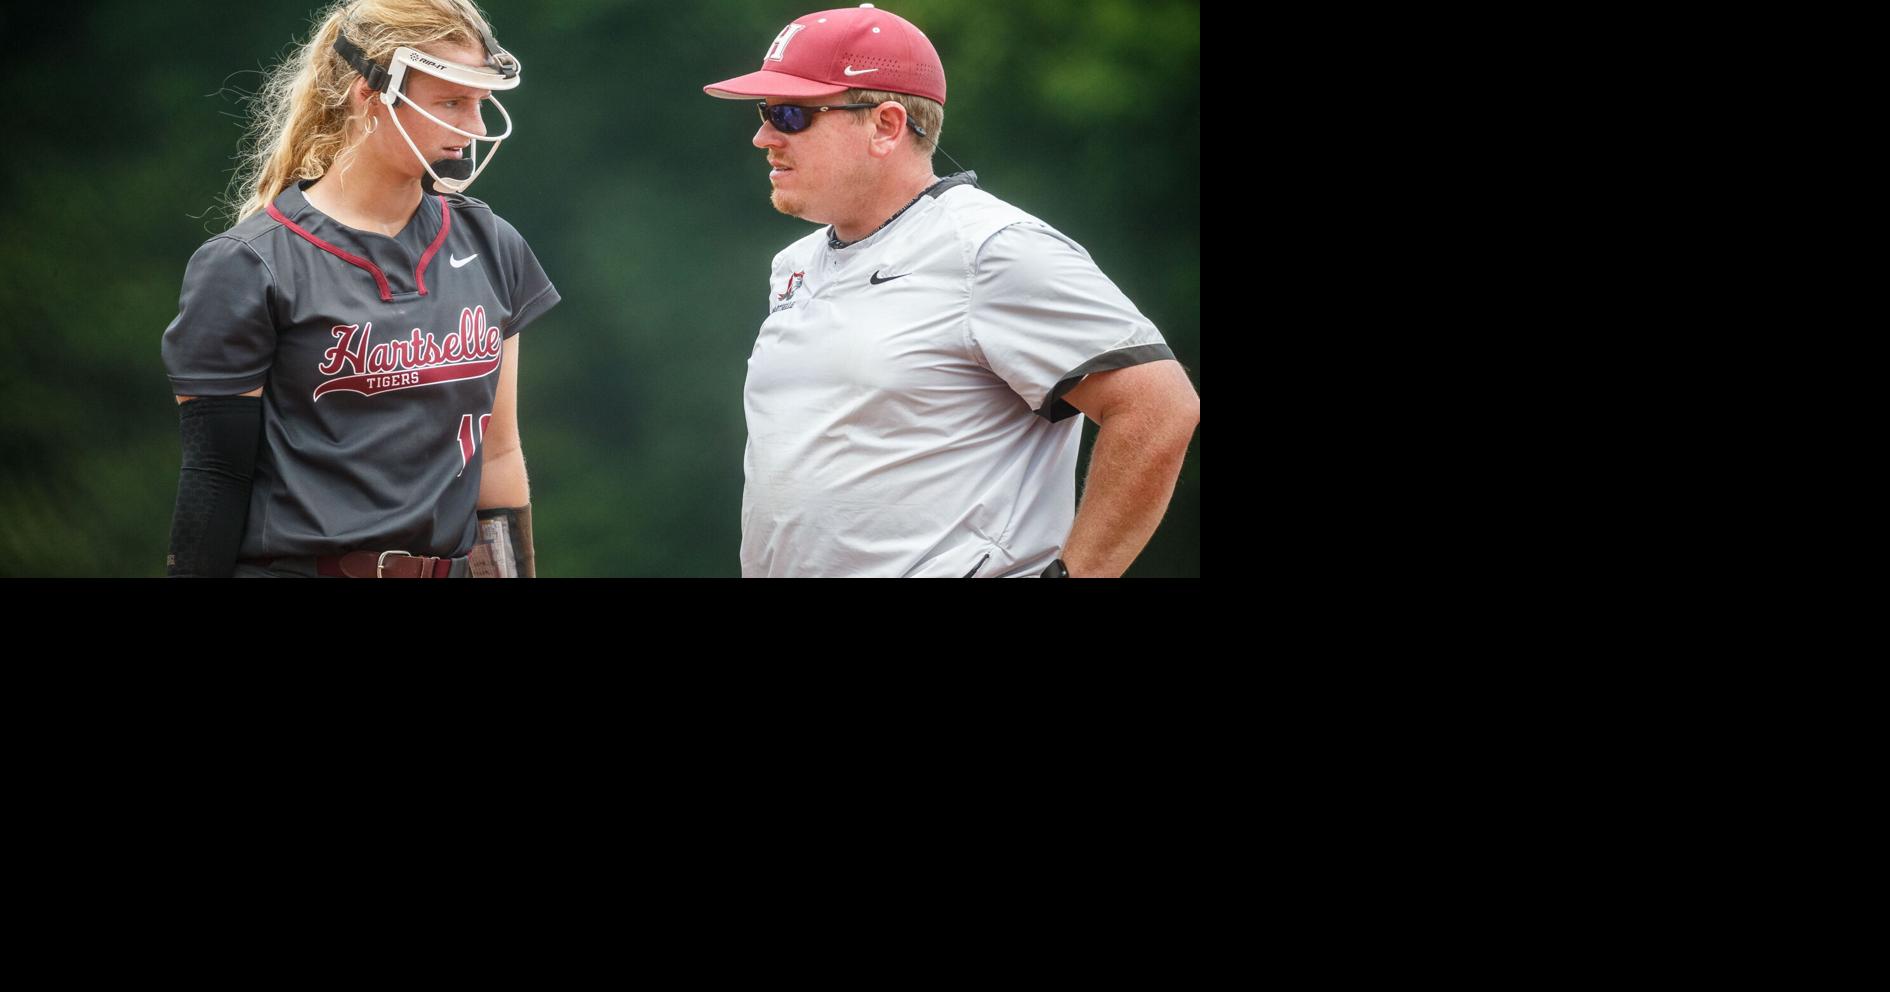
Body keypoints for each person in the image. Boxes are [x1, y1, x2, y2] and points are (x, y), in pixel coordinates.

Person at [703, 5, 1200, 577]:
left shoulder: (992, 247)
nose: (763, 135)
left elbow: (1160, 405)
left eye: (789, 114)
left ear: (887, 125)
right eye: (766, 112)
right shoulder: (794, 263)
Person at [161, 0, 558, 578]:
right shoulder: (248, 263)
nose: (473, 128)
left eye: (479, 103)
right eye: (450, 102)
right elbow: (216, 477)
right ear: (368, 95)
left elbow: (496, 456)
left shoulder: (491, 242)